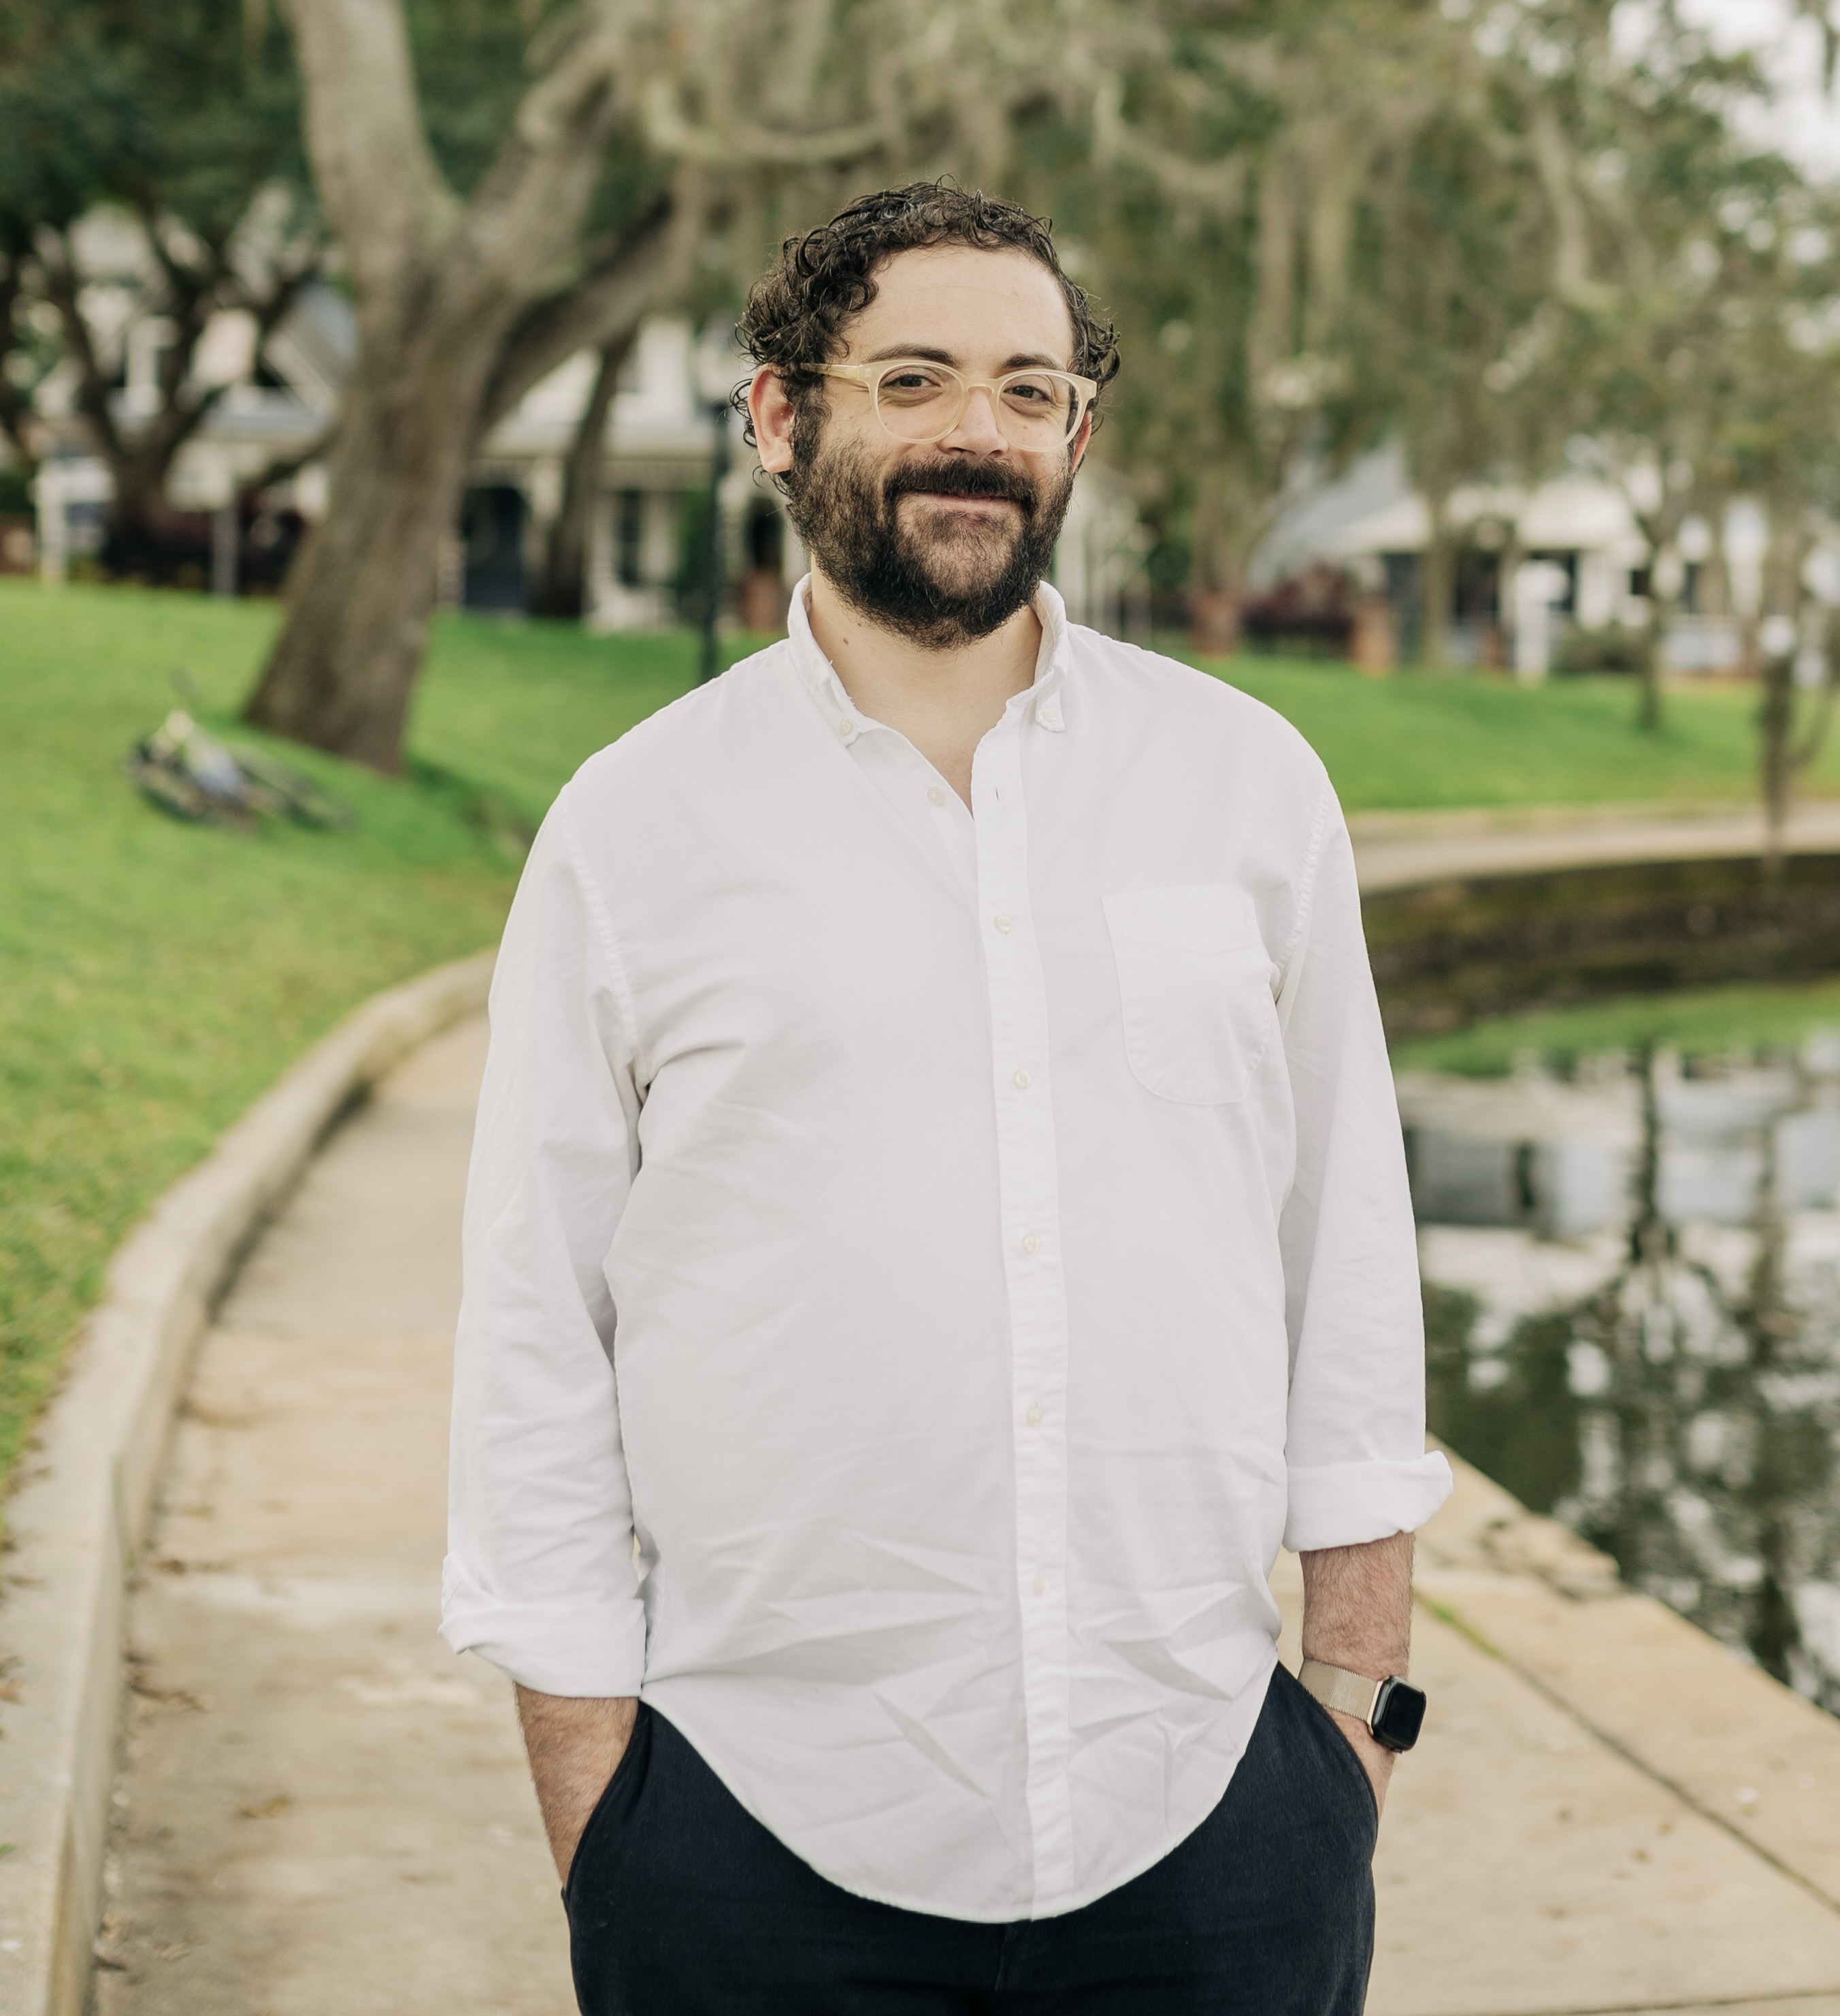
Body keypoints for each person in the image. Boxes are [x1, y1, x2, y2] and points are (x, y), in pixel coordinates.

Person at [441, 182, 1451, 2015]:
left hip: (1213, 1816)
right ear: (780, 414)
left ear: (1078, 427)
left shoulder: (1246, 787)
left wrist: (1347, 1729)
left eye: (1027, 388)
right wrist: (606, 1817)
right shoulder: (635, 828)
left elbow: (1347, 1274)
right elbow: (537, 1332)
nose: (975, 434)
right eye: (913, 378)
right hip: (751, 1835)